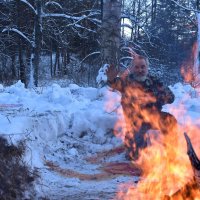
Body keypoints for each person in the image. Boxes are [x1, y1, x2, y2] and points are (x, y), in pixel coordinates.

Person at [106, 54, 177, 160]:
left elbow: (171, 97)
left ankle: (170, 151)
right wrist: (111, 79)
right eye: (137, 67)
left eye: (143, 67)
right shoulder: (126, 81)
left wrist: (155, 98)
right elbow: (114, 84)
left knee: (169, 120)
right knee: (135, 157)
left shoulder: (154, 81)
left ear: (147, 67)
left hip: (153, 117)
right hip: (135, 122)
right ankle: (134, 146)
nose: (140, 70)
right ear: (132, 68)